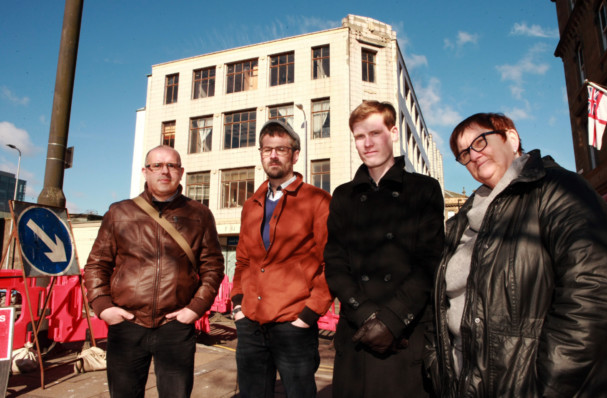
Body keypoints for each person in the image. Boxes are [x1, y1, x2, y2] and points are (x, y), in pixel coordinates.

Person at [432, 113, 607, 397]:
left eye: (480, 142)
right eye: (463, 153)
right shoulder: (463, 219)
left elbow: (594, 290)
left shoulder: (558, 189)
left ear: (511, 138)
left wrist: (549, 384)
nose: (472, 155)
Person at [324, 101, 445, 398]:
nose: (367, 143)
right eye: (359, 136)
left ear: (393, 133)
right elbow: (335, 262)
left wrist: (391, 320)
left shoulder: (423, 190)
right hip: (357, 333)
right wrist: (365, 314)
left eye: (375, 133)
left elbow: (430, 263)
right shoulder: (343, 196)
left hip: (404, 334)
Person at [84, 145, 225, 398]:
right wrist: (103, 306)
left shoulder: (199, 214)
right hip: (127, 322)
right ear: (145, 172)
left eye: (171, 165)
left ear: (181, 172)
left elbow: (213, 266)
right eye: (157, 165)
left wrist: (195, 308)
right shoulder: (119, 212)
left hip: (175, 325)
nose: (164, 171)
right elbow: (97, 263)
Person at [231, 120, 333, 398]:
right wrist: (238, 305)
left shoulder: (318, 201)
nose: (273, 155)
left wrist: (308, 315)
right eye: (267, 149)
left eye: (281, 149)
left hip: (294, 325)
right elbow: (242, 262)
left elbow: (332, 263)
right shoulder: (251, 205)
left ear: (295, 155)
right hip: (250, 323)